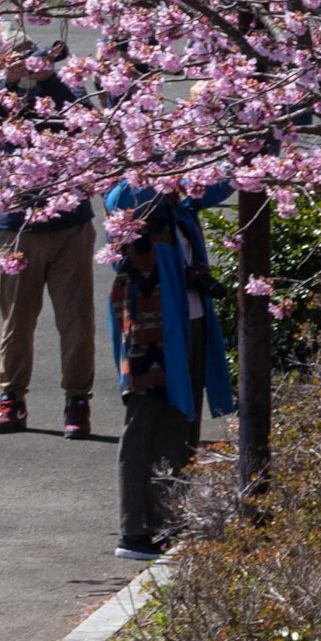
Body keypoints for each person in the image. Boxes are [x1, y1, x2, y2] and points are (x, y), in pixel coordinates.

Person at [104, 182, 236, 561]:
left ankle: (171, 520)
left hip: (188, 320)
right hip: (150, 326)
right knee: (145, 420)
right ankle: (135, 530)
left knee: (181, 422)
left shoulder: (178, 204)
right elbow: (128, 198)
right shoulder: (131, 197)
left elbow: (215, 187)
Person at [0, 44, 95, 438]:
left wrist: (51, 82)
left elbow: (87, 121)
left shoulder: (67, 87)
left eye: (32, 59)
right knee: (17, 320)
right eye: (17, 61)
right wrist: (4, 86)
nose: (27, 67)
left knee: (76, 320)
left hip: (69, 224)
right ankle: (12, 398)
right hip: (18, 225)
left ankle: (77, 399)